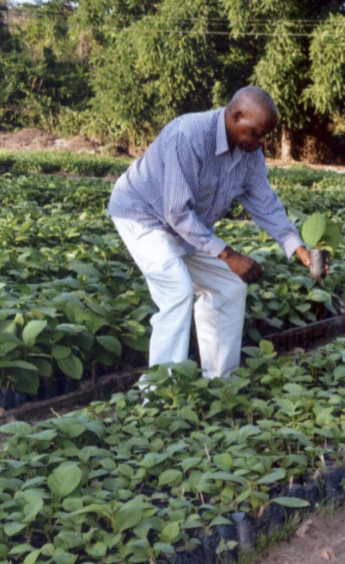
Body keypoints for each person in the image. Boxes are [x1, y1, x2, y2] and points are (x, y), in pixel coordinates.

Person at [108, 87, 322, 380]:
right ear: (236, 116)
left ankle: (220, 381)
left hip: (186, 226)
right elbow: (177, 213)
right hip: (143, 214)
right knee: (176, 291)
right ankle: (159, 395)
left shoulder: (250, 152)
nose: (261, 143)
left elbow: (263, 202)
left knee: (230, 284)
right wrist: (228, 254)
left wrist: (299, 249)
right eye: (256, 133)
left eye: (265, 136)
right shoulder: (189, 136)